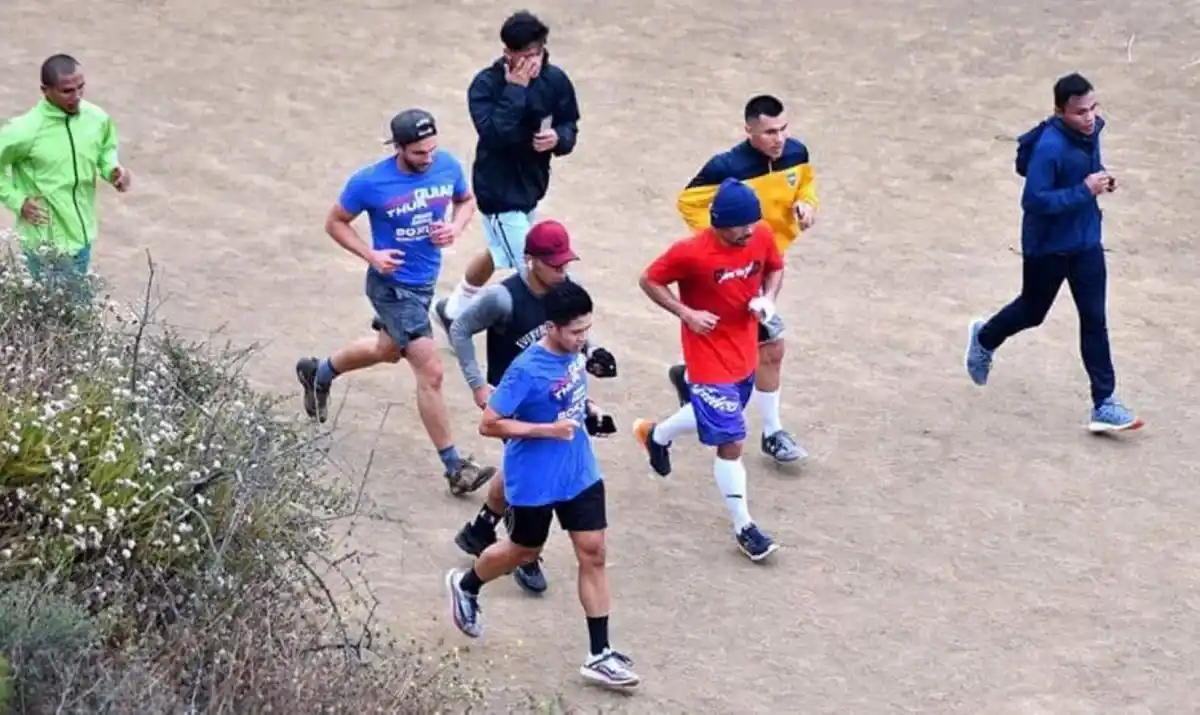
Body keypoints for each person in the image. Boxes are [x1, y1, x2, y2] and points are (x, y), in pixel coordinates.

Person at [444, 281, 637, 690]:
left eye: (588, 329)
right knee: (524, 549)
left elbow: (572, 395)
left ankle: (599, 654)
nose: (584, 339)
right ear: (552, 327)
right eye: (576, 332)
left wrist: (591, 412)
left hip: (579, 471)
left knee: (594, 552)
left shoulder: (575, 352)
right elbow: (489, 423)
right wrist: (547, 430)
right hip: (533, 478)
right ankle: (466, 585)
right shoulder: (526, 369)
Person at [295, 109, 496, 495]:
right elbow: (335, 222)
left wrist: (453, 228)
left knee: (387, 350)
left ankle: (318, 373)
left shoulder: (447, 165)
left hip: (424, 283)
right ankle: (456, 467)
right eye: (419, 153)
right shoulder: (371, 181)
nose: (428, 158)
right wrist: (371, 255)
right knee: (431, 370)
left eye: (432, 149)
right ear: (399, 148)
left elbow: (466, 200)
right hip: (391, 287)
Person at [446, 219, 618, 595]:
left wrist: (591, 355)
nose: (563, 271)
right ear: (529, 260)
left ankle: (483, 525)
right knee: (528, 473)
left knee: (518, 468)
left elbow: (576, 335)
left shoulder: (566, 294)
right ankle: (525, 554)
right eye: (555, 264)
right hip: (515, 402)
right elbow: (458, 329)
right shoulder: (502, 298)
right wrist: (477, 384)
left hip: (551, 397)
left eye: (566, 264)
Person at [964, 72, 1142, 433]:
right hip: (1048, 247)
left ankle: (1104, 403)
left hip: (1086, 242)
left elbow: (1084, 174)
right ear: (1060, 112)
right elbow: (1034, 201)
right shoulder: (1050, 148)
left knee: (1094, 319)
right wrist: (1084, 189)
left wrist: (1100, 181)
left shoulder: (1090, 132)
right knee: (1033, 310)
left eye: (1093, 107)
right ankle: (985, 337)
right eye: (1080, 112)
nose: (1089, 117)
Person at [631, 178, 785, 563]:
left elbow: (776, 267)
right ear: (719, 223)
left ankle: (657, 435)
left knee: (719, 416)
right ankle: (745, 527)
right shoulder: (691, 253)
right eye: (741, 225)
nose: (750, 231)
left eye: (753, 223)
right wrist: (686, 313)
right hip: (706, 356)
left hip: (743, 352)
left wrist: (768, 299)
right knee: (731, 440)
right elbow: (649, 279)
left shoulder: (760, 235)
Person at [664, 94, 817, 465]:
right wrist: (726, 243)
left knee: (746, 346)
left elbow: (805, 185)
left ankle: (692, 380)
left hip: (768, 264)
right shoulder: (726, 167)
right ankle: (772, 432)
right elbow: (688, 202)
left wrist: (807, 204)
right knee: (771, 348)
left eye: (782, 129)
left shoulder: (797, 154)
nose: (778, 139)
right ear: (749, 130)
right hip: (743, 272)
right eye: (768, 132)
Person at [438, 10, 582, 326]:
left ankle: (453, 310)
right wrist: (515, 88)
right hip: (499, 192)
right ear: (508, 53)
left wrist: (559, 138)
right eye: (525, 55)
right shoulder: (485, 86)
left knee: (496, 250)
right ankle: (467, 324)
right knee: (534, 274)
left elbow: (570, 122)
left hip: (531, 185)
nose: (533, 62)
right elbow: (495, 134)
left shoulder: (554, 79)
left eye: (538, 53)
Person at [0, 54, 131, 284]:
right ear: (45, 90)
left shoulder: (97, 119)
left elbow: (104, 150)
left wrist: (113, 170)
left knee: (74, 314)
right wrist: (17, 200)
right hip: (44, 244)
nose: (77, 96)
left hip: (82, 237)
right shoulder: (25, 130)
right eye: (67, 91)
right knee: (57, 316)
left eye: (81, 88)